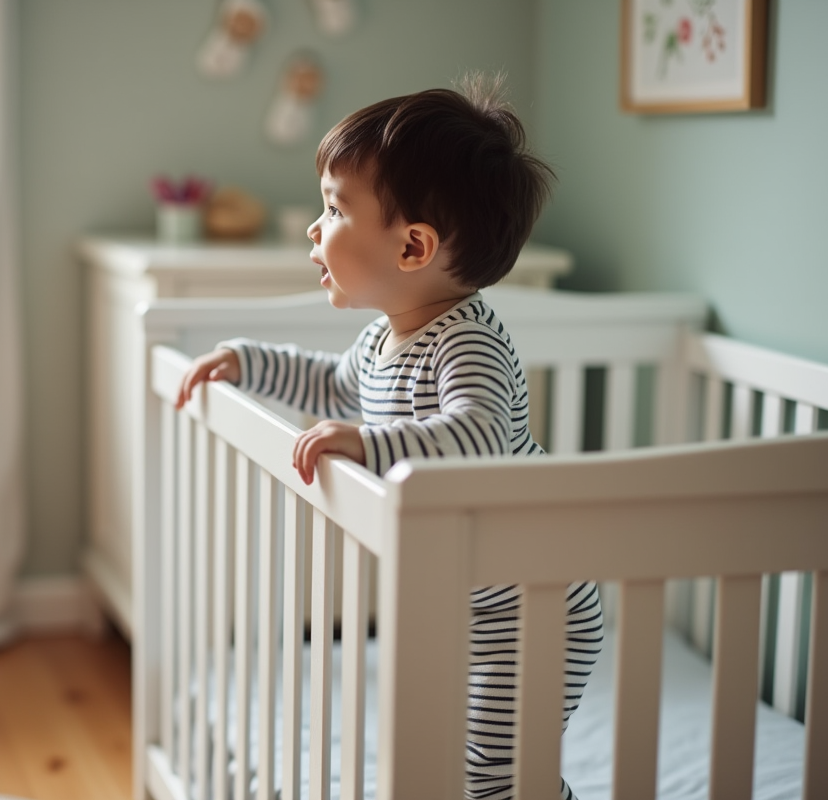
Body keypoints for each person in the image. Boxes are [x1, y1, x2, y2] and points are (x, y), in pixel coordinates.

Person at [175, 73, 603, 800]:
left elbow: (477, 434)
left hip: (533, 603)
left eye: (334, 208)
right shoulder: (384, 338)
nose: (314, 229)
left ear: (411, 248)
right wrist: (246, 361)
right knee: (449, 758)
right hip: (466, 598)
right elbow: (332, 386)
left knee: (494, 775)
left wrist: (368, 446)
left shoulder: (466, 342)